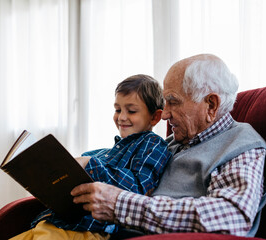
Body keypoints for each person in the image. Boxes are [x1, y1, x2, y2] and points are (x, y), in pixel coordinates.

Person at [71, 54, 266, 238]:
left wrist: (118, 205)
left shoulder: (241, 145)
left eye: (172, 102)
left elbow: (231, 217)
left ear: (211, 104)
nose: (164, 114)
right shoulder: (169, 144)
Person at [11, 74, 172, 240]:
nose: (122, 117)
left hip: (87, 230)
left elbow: (138, 189)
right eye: (117, 110)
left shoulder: (152, 145)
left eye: (131, 111)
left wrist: (89, 163)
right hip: (53, 222)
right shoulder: (103, 153)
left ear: (155, 117)